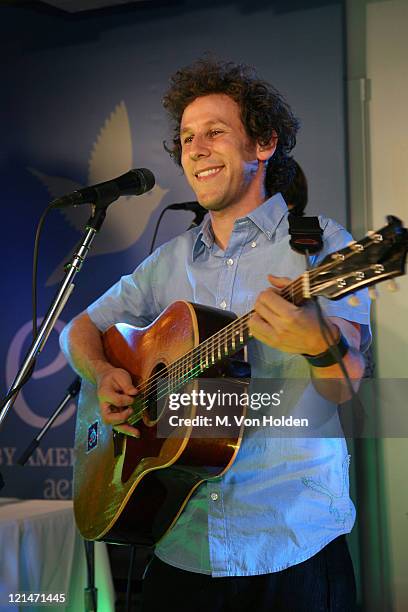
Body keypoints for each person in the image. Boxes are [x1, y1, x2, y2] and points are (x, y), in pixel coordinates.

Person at [60, 59, 370, 611]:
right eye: (186, 139)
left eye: (215, 132)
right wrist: (105, 372)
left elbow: (345, 386)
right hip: (180, 543)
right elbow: (79, 329)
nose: (195, 149)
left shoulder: (319, 246)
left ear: (264, 144)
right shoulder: (168, 262)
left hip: (290, 544)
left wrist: (316, 338)